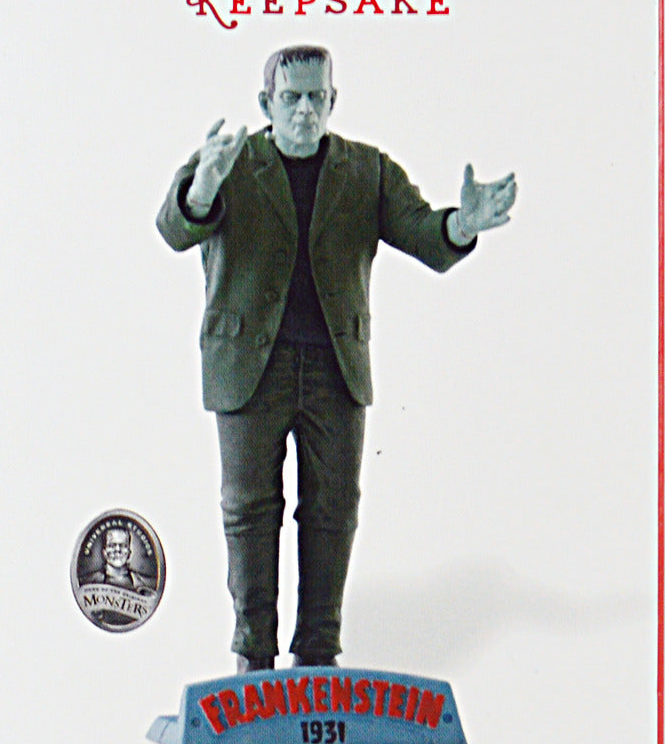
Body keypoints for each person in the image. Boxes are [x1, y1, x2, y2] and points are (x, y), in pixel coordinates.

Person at [157, 45, 516, 672]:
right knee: (248, 511)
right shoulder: (229, 162)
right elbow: (174, 227)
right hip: (247, 368)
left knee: (333, 510)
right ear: (266, 103)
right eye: (290, 97)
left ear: (333, 101)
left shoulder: (366, 171)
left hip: (335, 368)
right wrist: (204, 185)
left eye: (315, 97)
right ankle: (253, 655)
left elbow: (423, 234)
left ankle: (318, 654)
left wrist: (463, 224)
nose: (304, 110)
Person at [83, 526, 156, 594]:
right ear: (104, 552)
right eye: (112, 545)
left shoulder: (149, 584)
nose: (117, 550)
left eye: (123, 545)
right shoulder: (86, 582)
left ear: (129, 553)